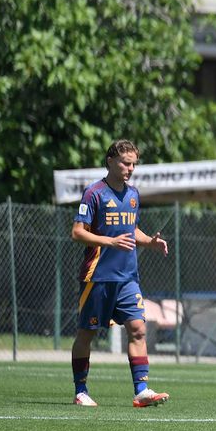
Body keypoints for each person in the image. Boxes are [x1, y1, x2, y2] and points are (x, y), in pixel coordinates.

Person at [69, 139, 171, 408]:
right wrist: (109, 242)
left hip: (127, 277)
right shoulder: (94, 194)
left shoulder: (134, 194)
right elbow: (78, 232)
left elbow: (131, 230)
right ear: (111, 161)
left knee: (138, 328)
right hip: (98, 276)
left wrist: (149, 241)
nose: (131, 168)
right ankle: (81, 391)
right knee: (87, 333)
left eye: (134, 164)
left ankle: (142, 390)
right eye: (126, 163)